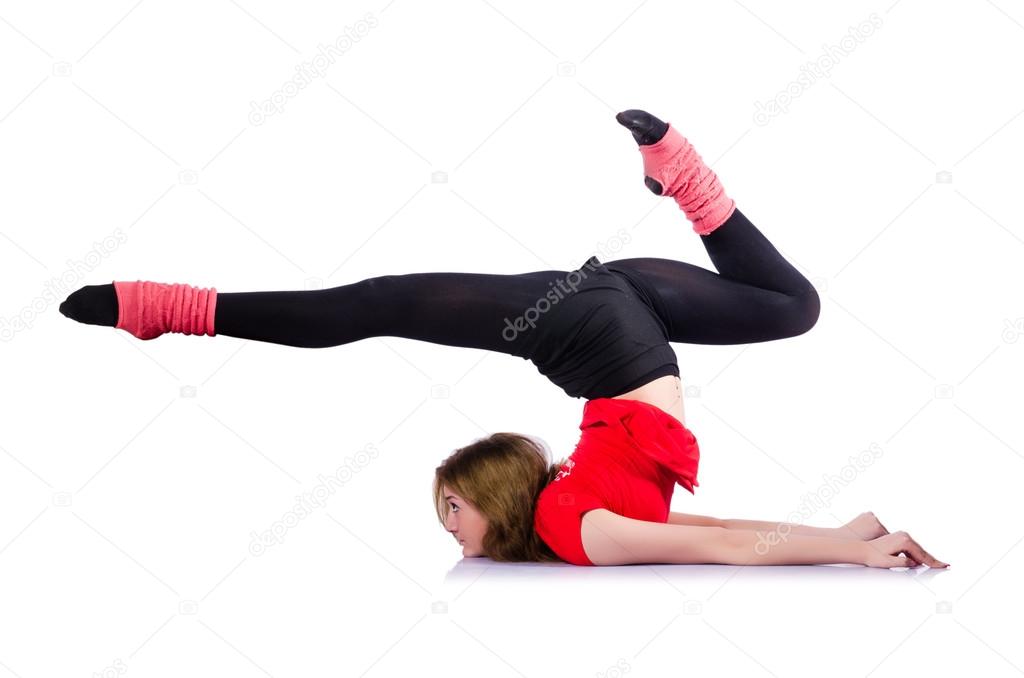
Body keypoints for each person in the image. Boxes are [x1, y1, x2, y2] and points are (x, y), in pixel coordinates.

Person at [59, 109, 948, 570]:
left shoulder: (576, 526)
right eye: (453, 511)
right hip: (620, 318)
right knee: (793, 308)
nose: (452, 530)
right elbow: (716, 537)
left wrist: (846, 546)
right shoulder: (574, 528)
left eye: (448, 512)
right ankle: (681, 172)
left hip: (605, 330)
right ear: (496, 494)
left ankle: (161, 304)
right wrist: (846, 537)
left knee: (381, 303)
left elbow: (713, 536)